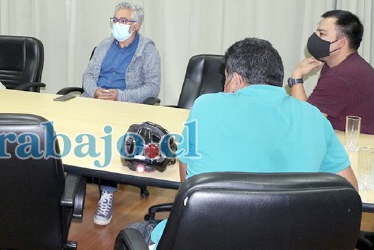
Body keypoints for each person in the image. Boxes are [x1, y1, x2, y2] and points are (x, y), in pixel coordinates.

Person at [129, 38, 358, 248]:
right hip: (291, 240)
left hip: (209, 239)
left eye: (225, 79)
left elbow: (188, 186)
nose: (223, 87)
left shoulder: (206, 106)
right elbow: (349, 191)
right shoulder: (314, 116)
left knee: (136, 231)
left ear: (235, 78)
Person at [82, 2, 161, 226]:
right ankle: (70, 188)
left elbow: (152, 88)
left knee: (109, 137)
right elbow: (87, 75)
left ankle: (106, 193)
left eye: (123, 21)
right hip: (95, 101)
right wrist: (94, 91)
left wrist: (120, 96)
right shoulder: (104, 45)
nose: (117, 24)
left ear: (135, 25)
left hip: (125, 106)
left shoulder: (148, 50)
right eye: (115, 20)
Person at [289, 10, 374, 134]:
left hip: (357, 147)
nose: (315, 37)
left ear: (340, 43)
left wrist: (296, 77)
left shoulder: (343, 75)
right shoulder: (339, 66)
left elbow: (304, 121)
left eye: (322, 33)